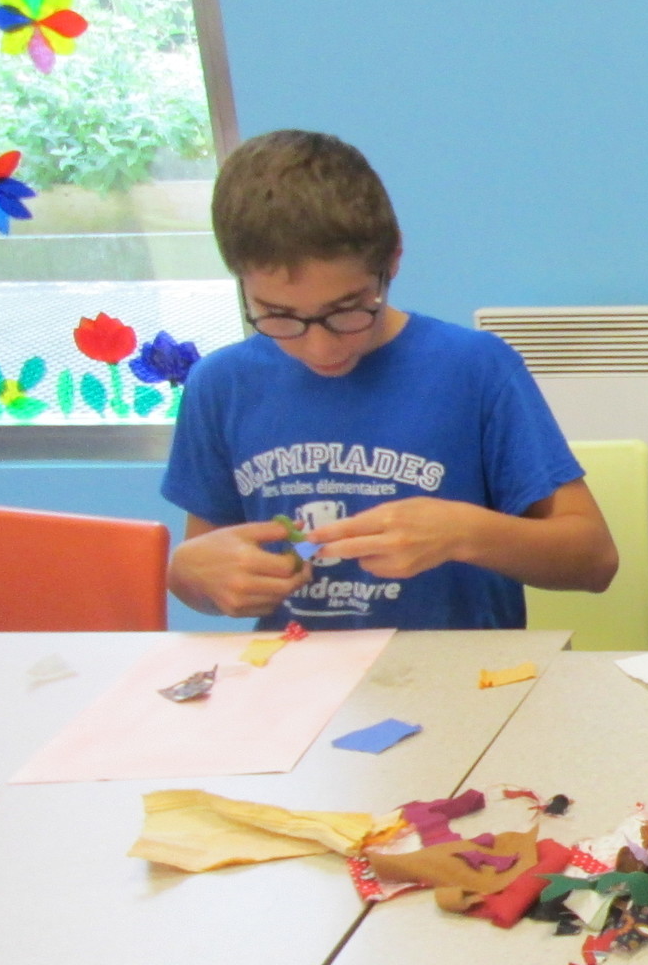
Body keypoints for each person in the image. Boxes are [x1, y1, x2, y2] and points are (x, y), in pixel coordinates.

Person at [163, 131, 617, 629]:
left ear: (393, 259)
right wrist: (189, 574)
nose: (320, 347)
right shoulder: (221, 386)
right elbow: (201, 575)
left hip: (460, 669)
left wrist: (464, 532)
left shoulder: (475, 369)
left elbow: (594, 560)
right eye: (279, 316)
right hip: (295, 667)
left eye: (346, 310)